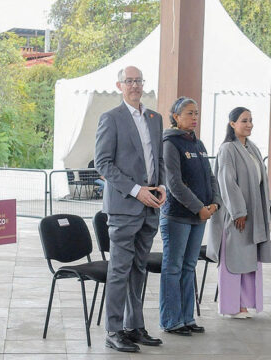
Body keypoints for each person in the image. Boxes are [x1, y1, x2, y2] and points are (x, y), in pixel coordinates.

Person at [95, 66, 166, 352]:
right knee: (120, 270)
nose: (135, 85)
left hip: (151, 207)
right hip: (125, 207)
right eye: (129, 81)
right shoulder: (111, 119)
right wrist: (137, 191)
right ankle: (114, 330)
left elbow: (157, 158)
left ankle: (134, 326)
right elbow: (103, 164)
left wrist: (160, 187)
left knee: (139, 268)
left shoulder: (155, 118)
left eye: (139, 80)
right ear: (120, 85)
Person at [159, 97, 222, 335]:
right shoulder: (170, 143)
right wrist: (199, 207)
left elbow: (210, 176)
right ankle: (170, 320)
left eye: (196, 113)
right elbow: (174, 183)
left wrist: (215, 201)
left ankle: (187, 318)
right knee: (173, 268)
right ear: (175, 116)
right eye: (188, 113)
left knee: (188, 267)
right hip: (178, 216)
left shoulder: (198, 143)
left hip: (200, 215)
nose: (194, 118)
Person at [206, 107, 271, 318]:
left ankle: (245, 303)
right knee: (232, 259)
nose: (249, 124)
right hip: (237, 216)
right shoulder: (227, 149)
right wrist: (238, 212)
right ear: (232, 123)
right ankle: (231, 306)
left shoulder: (253, 148)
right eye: (244, 120)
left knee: (249, 260)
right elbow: (227, 183)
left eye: (251, 120)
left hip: (253, 214)